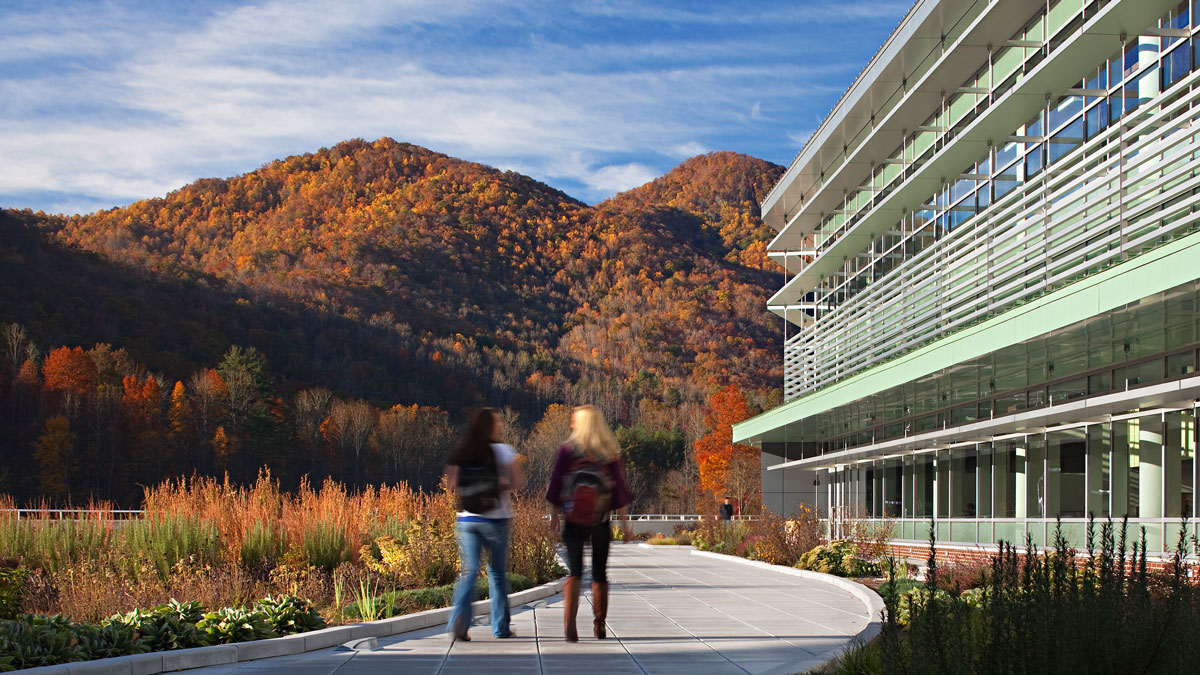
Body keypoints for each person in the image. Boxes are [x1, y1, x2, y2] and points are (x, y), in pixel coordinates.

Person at [545, 405, 632, 642]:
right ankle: (599, 625)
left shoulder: (567, 451)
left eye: (574, 419)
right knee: (599, 573)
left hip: (573, 520)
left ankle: (569, 624)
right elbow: (619, 493)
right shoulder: (608, 452)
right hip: (600, 520)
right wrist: (625, 526)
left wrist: (554, 517)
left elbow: (556, 486)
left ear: (580, 423)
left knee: (574, 571)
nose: (571, 423)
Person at [444, 407, 524, 641]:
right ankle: (500, 628)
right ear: (493, 426)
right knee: (497, 574)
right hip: (497, 519)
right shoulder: (504, 451)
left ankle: (460, 619)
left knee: (468, 571)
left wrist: (471, 490)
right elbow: (517, 481)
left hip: (467, 519)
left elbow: (451, 484)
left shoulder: (462, 450)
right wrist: (497, 486)